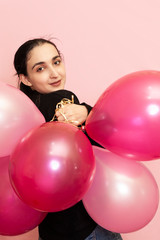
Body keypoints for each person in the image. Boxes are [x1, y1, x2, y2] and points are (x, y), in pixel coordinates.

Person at [14, 38, 123, 240]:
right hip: (87, 225)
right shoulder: (62, 99)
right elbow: (102, 143)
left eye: (56, 62)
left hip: (52, 230)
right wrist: (88, 111)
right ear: (26, 79)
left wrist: (86, 112)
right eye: (40, 69)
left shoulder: (24, 115)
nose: (55, 73)